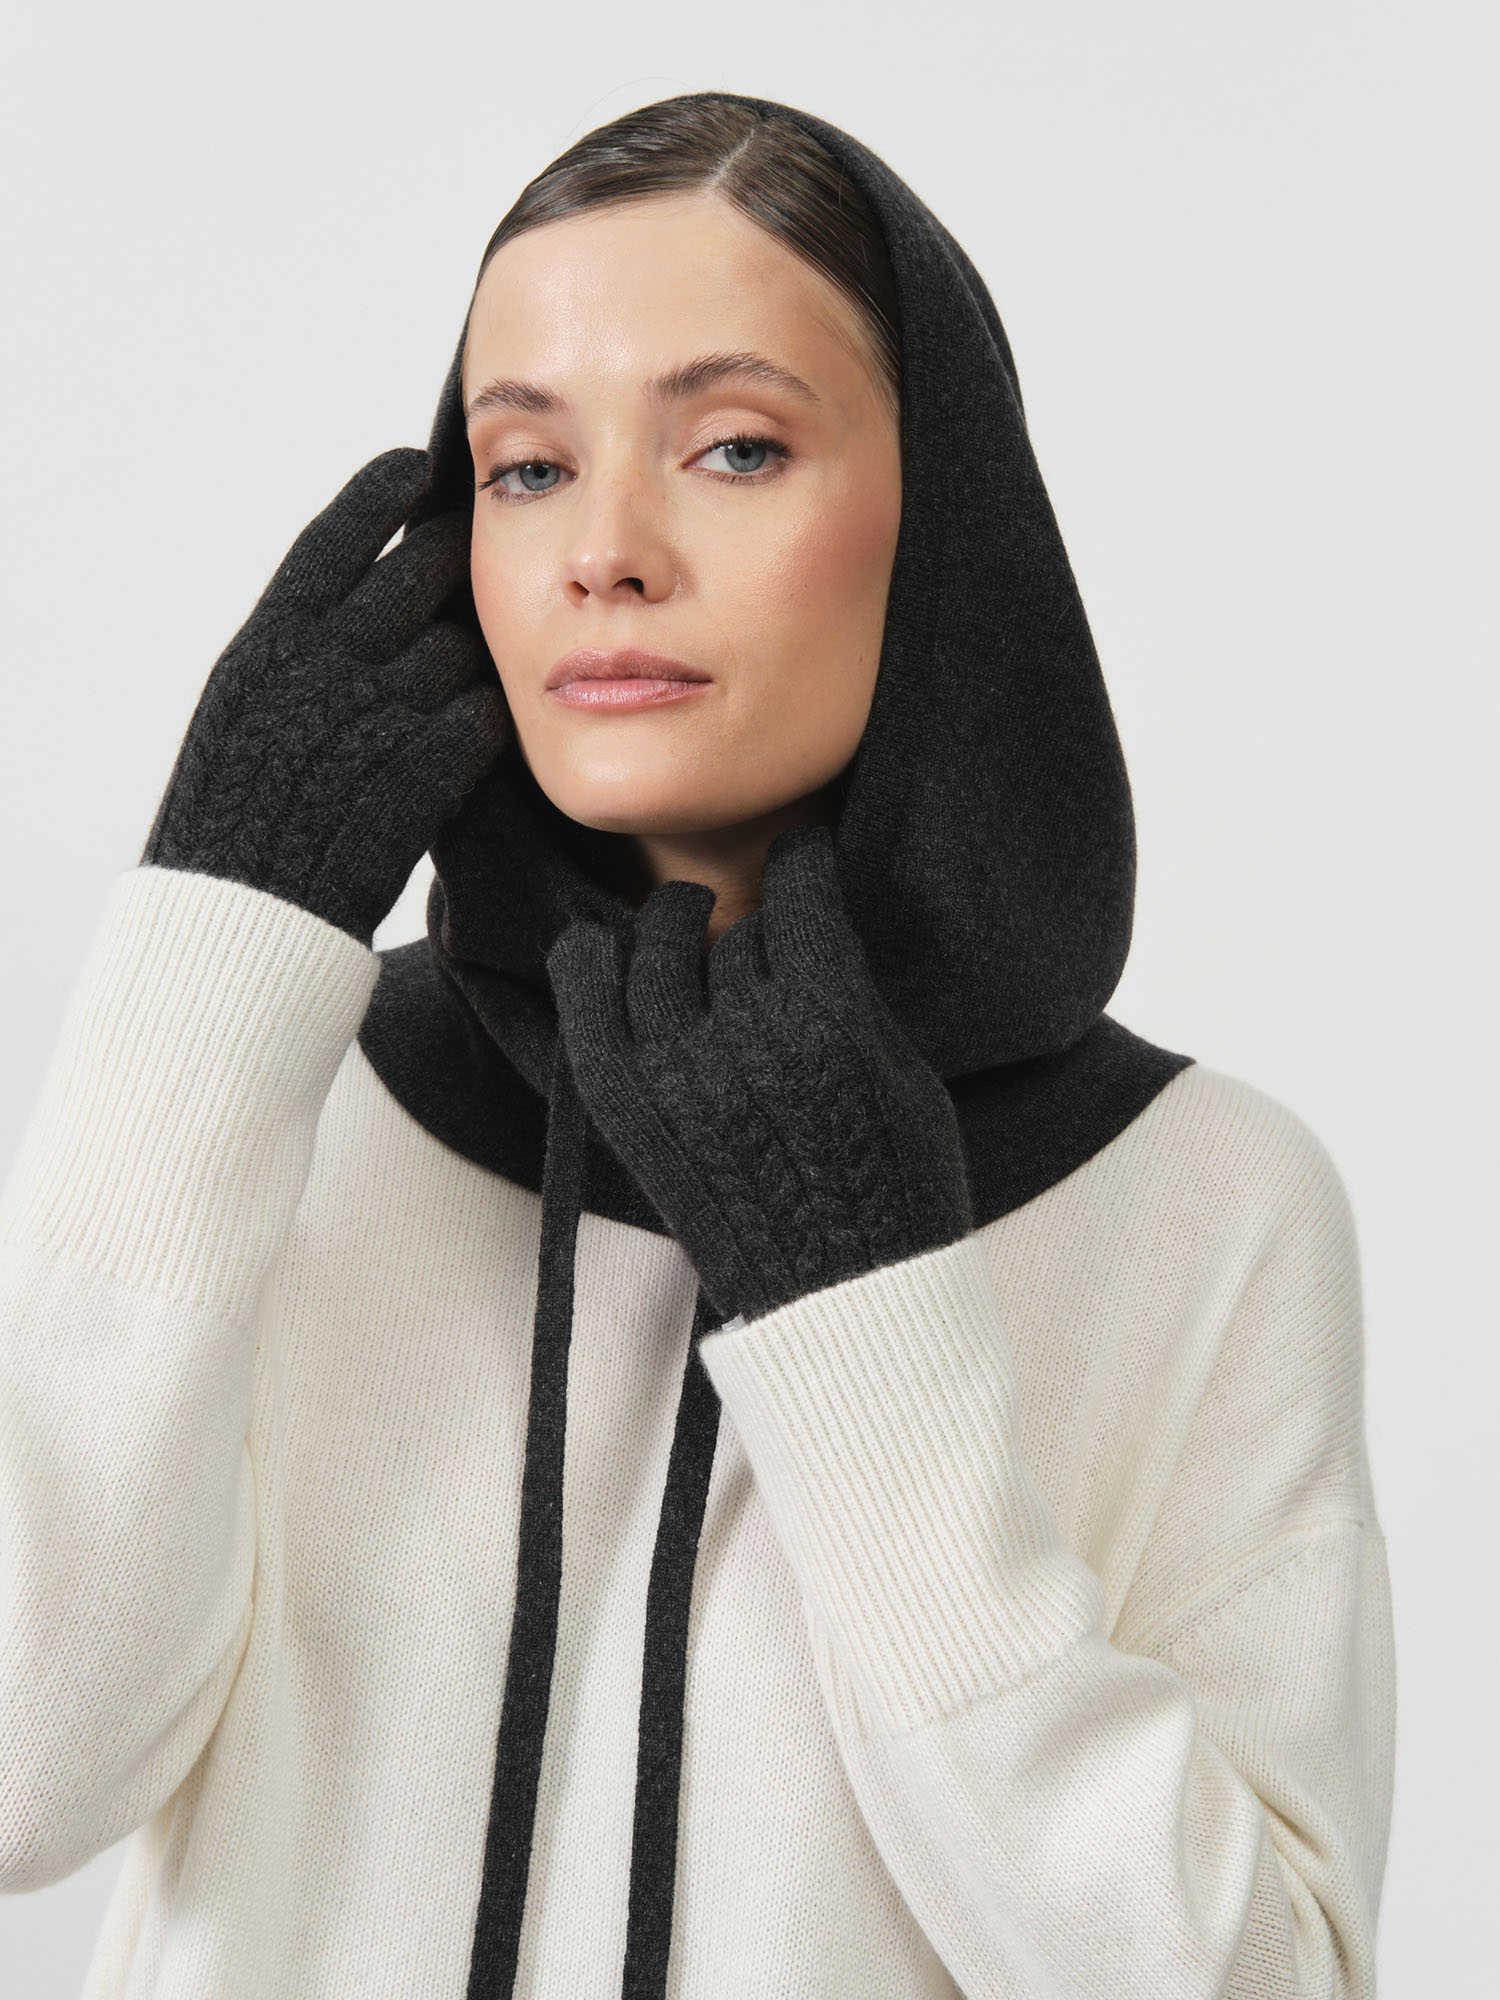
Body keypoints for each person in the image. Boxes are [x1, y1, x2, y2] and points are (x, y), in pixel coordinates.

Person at [0, 92, 1394, 1999]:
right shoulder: (298, 1097)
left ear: (941, 518)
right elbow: (23, 1772)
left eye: (736, 446)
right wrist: (220, 946)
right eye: (526, 468)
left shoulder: (1205, 1200)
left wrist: (861, 1317)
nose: (607, 552)